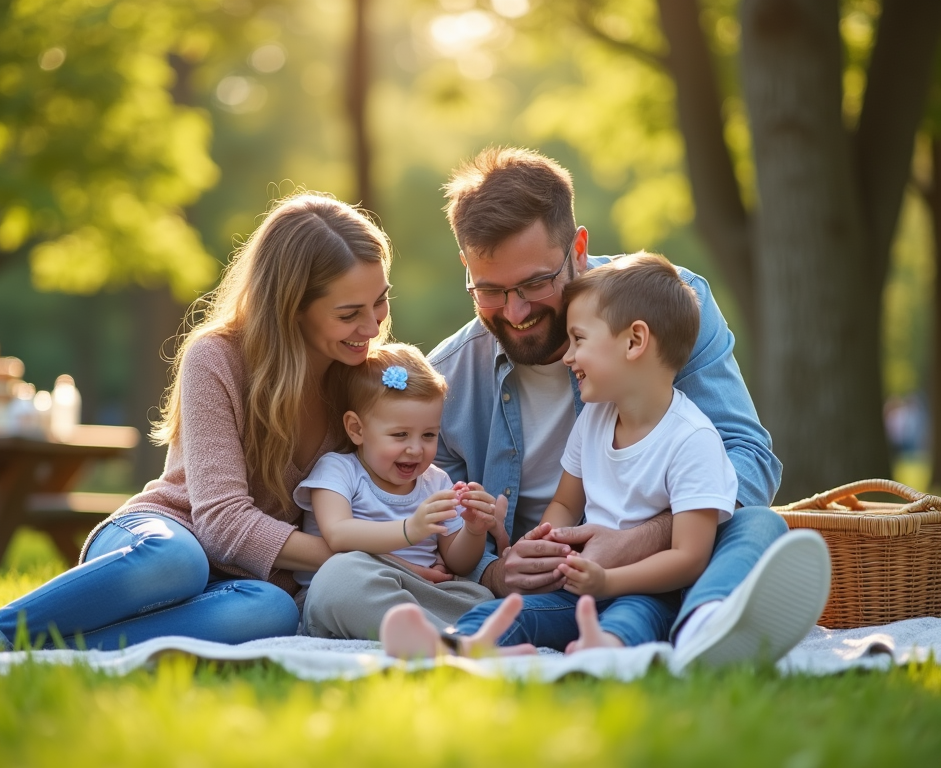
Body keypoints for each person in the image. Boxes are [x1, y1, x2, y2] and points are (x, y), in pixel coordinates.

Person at [309, 146, 831, 669]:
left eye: (535, 283)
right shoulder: (450, 377)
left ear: (577, 250)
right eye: (489, 290)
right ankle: (459, 645)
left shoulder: (670, 305)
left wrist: (635, 543)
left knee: (757, 525)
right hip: (540, 589)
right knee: (347, 581)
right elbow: (444, 525)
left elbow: (748, 456)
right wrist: (497, 568)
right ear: (466, 268)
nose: (514, 312)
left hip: (671, 559)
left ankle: (705, 625)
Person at [0, 192, 395, 654]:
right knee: (178, 561)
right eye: (350, 313)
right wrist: (356, 559)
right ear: (291, 308)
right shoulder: (218, 357)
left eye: (380, 302)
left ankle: (36, 648)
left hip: (252, 579)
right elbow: (223, 521)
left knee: (272, 611)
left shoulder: (361, 384)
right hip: (162, 536)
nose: (372, 328)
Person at [382, 253, 824, 659]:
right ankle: (460, 644)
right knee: (518, 609)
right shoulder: (593, 420)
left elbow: (688, 558)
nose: (567, 356)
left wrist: (610, 581)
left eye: (578, 340)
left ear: (634, 342)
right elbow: (566, 503)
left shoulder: (693, 440)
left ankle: (692, 630)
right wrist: (541, 543)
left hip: (650, 588)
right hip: (583, 584)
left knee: (632, 616)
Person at [292, 343, 507, 638]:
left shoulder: (436, 481)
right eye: (400, 434)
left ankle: (442, 634)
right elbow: (338, 534)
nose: (416, 449)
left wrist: (473, 529)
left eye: (429, 435)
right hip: (355, 589)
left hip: (419, 594)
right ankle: (447, 639)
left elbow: (459, 562)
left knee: (478, 596)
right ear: (356, 429)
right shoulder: (338, 470)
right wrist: (410, 529)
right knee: (339, 577)